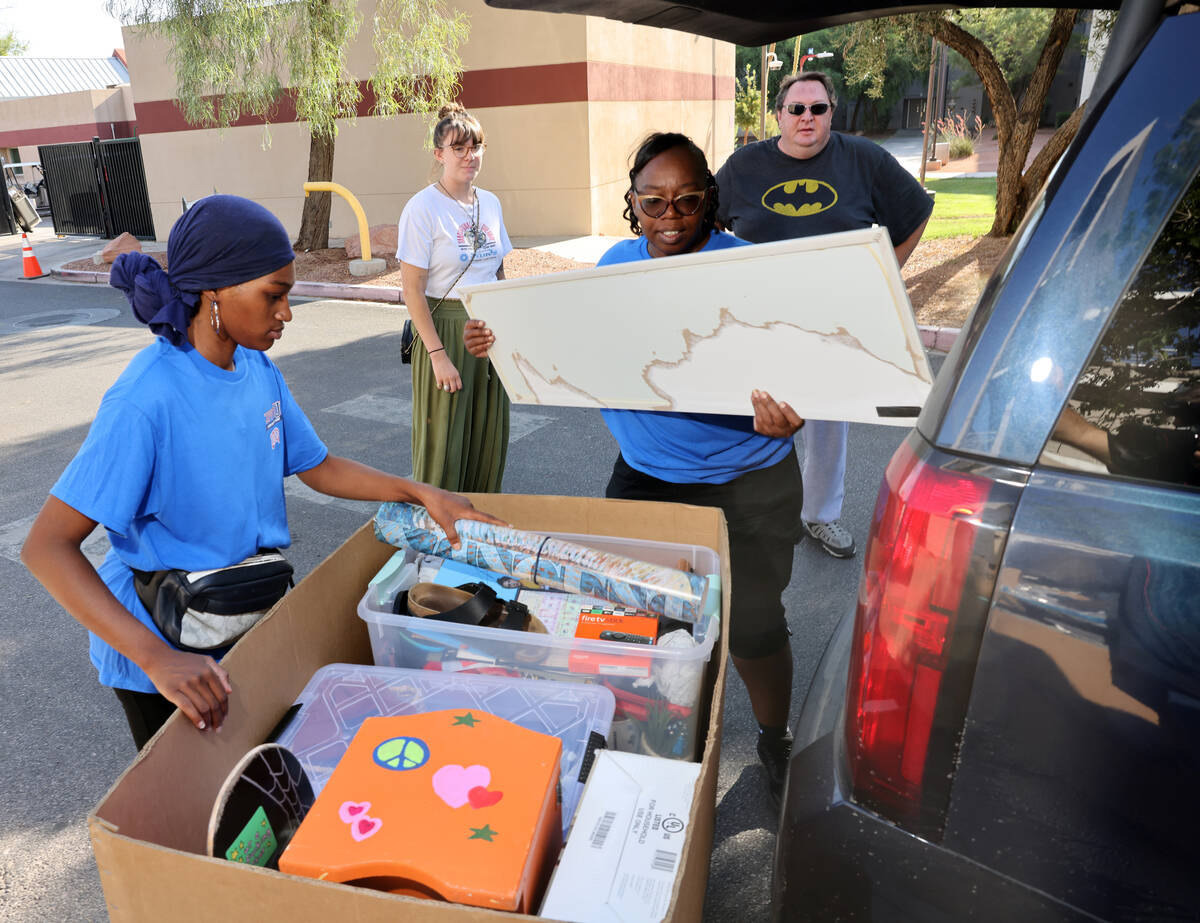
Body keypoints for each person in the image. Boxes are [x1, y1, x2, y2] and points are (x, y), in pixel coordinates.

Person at [20, 195, 502, 750]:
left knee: (263, 784)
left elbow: (317, 466)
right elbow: (47, 547)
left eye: (288, 294)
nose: (287, 312)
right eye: (274, 295)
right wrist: (159, 660)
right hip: (166, 647)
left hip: (241, 618)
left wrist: (421, 492)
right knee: (199, 811)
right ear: (215, 291)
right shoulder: (146, 399)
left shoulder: (256, 367)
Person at [466, 133, 806, 806]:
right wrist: (495, 339)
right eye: (654, 202)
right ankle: (660, 744)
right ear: (633, 204)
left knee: (754, 627)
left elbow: (803, 371)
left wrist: (794, 412)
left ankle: (772, 736)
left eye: (686, 200)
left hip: (751, 480)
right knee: (637, 626)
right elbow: (568, 344)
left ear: (709, 197)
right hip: (646, 477)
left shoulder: (748, 269)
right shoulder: (618, 264)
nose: (671, 216)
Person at [715, 71, 933, 559]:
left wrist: (887, 271)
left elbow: (917, 210)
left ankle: (820, 517)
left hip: (834, 324)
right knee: (752, 417)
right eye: (797, 109)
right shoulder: (744, 166)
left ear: (831, 112)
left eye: (818, 108)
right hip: (758, 322)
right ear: (779, 115)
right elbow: (708, 225)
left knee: (828, 427)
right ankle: (744, 512)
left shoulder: (864, 159)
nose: (807, 117)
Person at [396, 102, 512, 492]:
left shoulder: (490, 203)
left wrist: (508, 330)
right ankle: (434, 541)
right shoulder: (422, 207)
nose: (469, 156)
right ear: (439, 153)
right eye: (459, 148)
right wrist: (438, 356)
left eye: (475, 147)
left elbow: (497, 270)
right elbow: (412, 290)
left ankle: (478, 535)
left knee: (487, 443)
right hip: (443, 329)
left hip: (489, 332)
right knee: (443, 448)